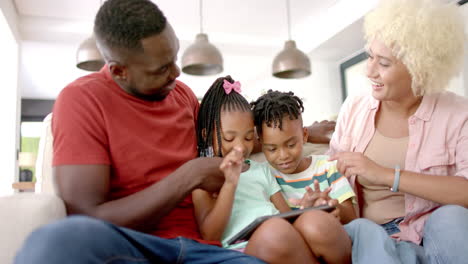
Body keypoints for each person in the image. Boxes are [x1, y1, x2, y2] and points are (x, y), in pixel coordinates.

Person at [14, 0, 334, 263]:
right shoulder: (82, 100)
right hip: (133, 248)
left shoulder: (180, 95)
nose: (177, 73)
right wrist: (188, 176)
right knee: (55, 241)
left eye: (174, 58)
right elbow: (85, 215)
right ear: (119, 71)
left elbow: (232, 139)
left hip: (203, 250)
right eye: (161, 69)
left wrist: (301, 132)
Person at [328, 0, 468, 263]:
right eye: (370, 56)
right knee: (365, 233)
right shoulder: (355, 107)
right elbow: (332, 180)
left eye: (383, 63)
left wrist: (383, 174)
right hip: (374, 237)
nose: (369, 71)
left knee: (452, 217)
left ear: (419, 68)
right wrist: (327, 203)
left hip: (434, 231)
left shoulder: (459, 114)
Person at [193, 76, 351, 264]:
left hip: (284, 236)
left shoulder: (259, 170)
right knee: (274, 232)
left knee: (316, 223)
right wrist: (230, 183)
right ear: (207, 135)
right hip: (243, 248)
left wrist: (306, 210)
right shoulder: (202, 178)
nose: (241, 147)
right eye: (229, 139)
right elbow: (210, 234)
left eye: (248, 137)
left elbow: (285, 216)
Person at [251, 90, 356, 224]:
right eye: (272, 149)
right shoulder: (264, 175)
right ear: (260, 144)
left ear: (305, 135)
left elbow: (352, 217)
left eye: (291, 145)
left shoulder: (327, 166)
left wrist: (327, 203)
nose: (283, 156)